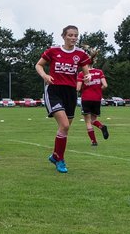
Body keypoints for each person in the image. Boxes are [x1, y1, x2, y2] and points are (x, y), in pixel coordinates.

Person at [36, 25, 92, 173]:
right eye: (70, 35)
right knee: (65, 125)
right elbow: (39, 65)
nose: (73, 38)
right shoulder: (53, 51)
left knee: (64, 129)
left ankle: (55, 156)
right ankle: (60, 160)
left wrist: (88, 77)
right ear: (63, 36)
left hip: (71, 93)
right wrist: (45, 76)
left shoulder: (80, 54)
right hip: (54, 90)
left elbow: (86, 73)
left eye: (76, 35)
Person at [77, 55, 110, 146]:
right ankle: (101, 126)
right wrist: (98, 89)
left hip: (86, 98)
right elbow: (105, 85)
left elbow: (78, 88)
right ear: (93, 62)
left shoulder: (82, 73)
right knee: (93, 119)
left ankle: (94, 141)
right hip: (97, 98)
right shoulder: (99, 72)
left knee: (88, 121)